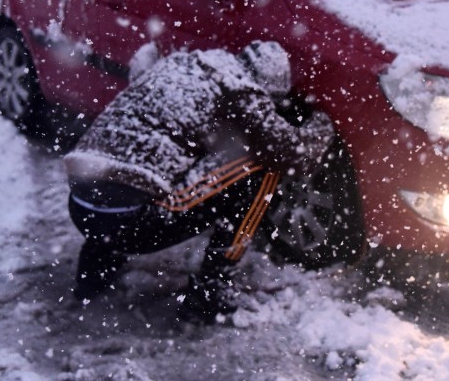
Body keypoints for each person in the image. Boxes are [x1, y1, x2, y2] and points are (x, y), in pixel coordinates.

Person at [64, 41, 335, 322]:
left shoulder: (181, 64)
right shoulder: (241, 88)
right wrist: (322, 126)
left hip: (81, 204)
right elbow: (290, 153)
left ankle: (95, 269)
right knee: (261, 168)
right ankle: (211, 291)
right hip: (133, 223)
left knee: (137, 167)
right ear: (264, 86)